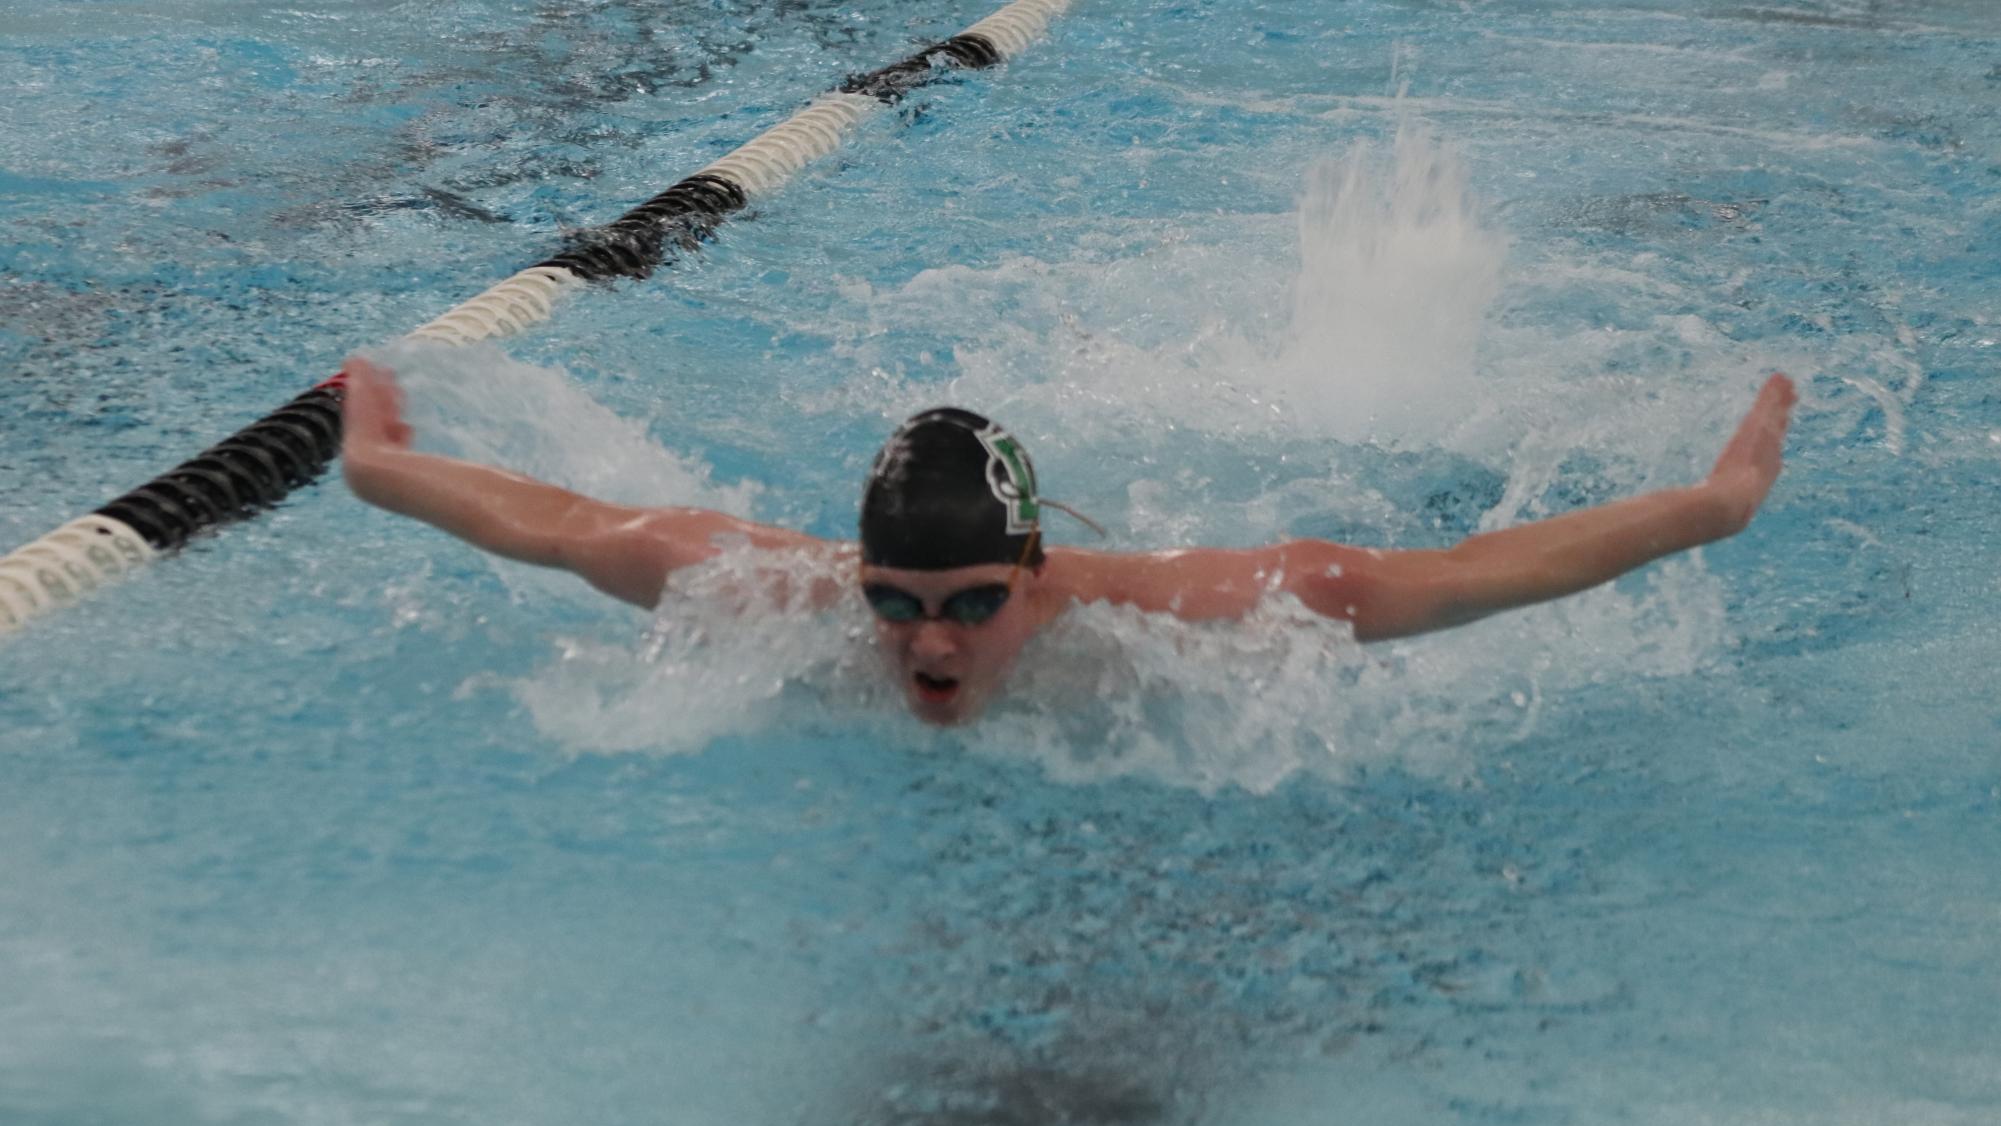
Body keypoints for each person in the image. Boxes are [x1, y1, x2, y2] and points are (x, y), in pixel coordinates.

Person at [340, 356, 1796, 726]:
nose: (926, 638)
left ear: (1035, 571)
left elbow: (1466, 574)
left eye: (971, 600)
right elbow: (568, 524)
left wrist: (1703, 511)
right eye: (892, 601)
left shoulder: (1194, 613)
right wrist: (378, 471)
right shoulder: (765, 586)